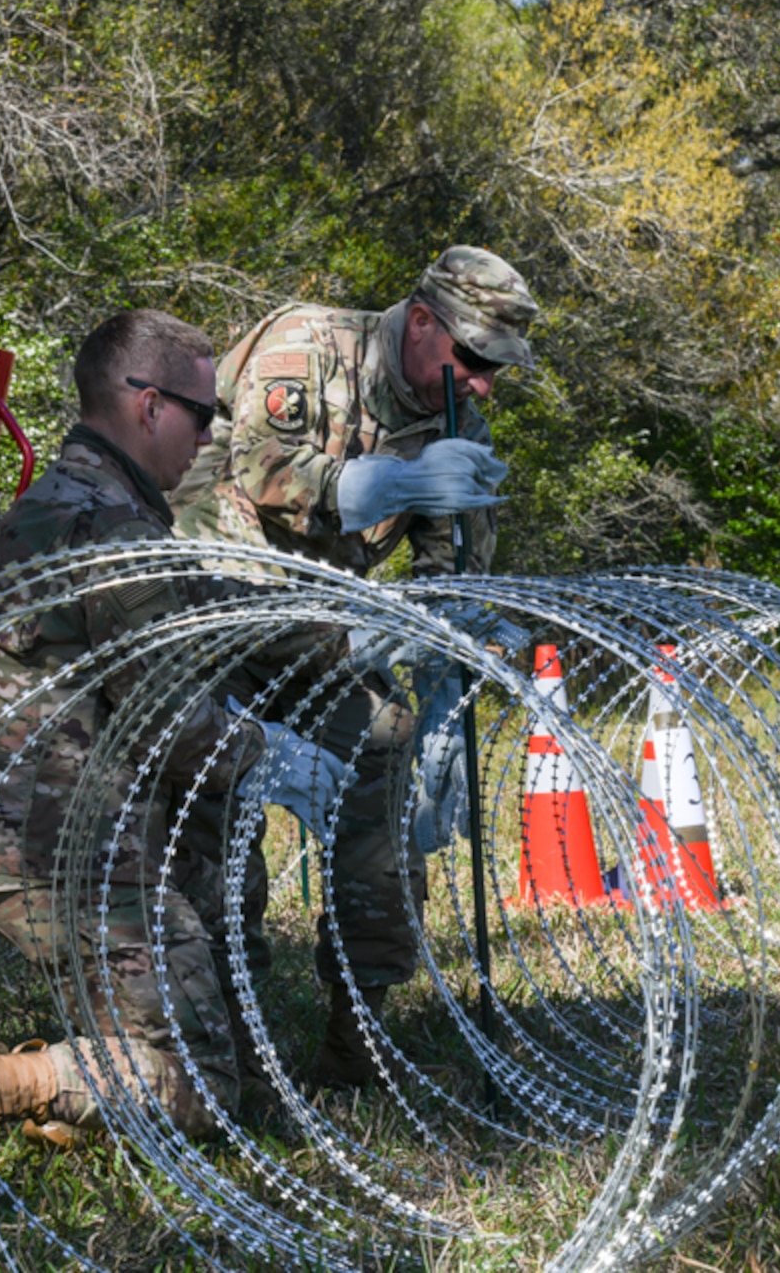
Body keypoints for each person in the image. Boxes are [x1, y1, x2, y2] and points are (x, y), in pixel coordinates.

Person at [0, 310, 347, 1189]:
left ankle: (139, 1053)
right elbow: (176, 732)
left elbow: (203, 600)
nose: (212, 435)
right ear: (147, 406)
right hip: (47, 847)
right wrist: (274, 754)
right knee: (201, 1089)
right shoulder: (113, 532)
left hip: (24, 824)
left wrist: (345, 630)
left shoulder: (83, 501)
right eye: (203, 415)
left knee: (208, 990)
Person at [170, 247, 536, 1087]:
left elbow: (455, 570)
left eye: (496, 371)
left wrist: (455, 638)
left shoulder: (457, 422)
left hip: (317, 627)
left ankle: (360, 1022)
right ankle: (227, 1031)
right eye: (473, 360)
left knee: (384, 747)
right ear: (419, 323)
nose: (481, 384)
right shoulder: (310, 345)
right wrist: (397, 481)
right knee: (217, 790)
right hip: (208, 603)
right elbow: (262, 470)